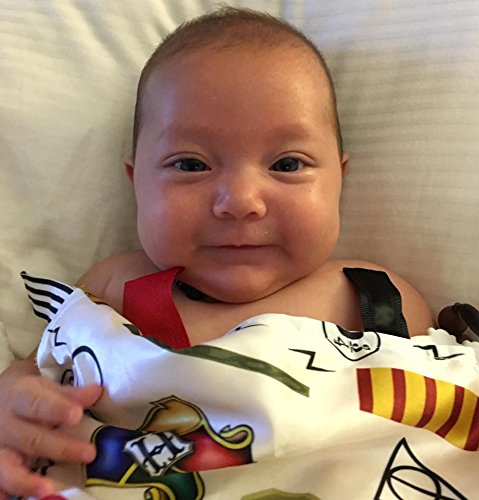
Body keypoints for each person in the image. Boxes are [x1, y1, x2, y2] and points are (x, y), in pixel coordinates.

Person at [0, 7, 434, 498]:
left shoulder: (372, 295)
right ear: (136, 182)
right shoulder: (116, 287)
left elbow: (453, 402)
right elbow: (39, 373)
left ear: (339, 177)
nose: (241, 201)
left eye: (287, 164)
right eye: (191, 164)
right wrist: (12, 404)